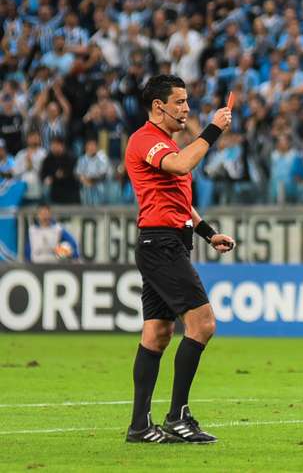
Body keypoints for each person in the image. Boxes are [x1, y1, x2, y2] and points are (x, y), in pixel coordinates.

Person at [124, 74, 235, 444]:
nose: (186, 108)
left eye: (187, 102)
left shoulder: (166, 143)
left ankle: (140, 426)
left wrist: (208, 233)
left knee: (157, 334)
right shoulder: (146, 141)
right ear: (159, 106)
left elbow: (181, 203)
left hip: (167, 242)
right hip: (161, 245)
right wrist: (213, 131)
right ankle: (178, 416)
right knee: (202, 324)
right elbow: (182, 166)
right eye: (180, 102)